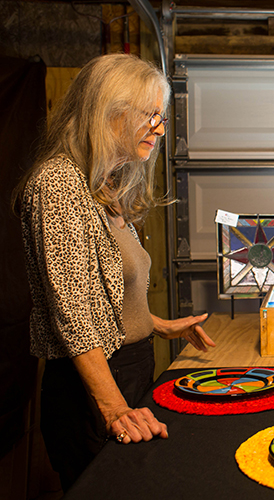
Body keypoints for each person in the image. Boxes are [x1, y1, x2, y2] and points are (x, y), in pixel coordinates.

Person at [16, 53, 216, 491]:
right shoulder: (57, 184)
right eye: (150, 116)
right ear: (109, 111)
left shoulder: (102, 186)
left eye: (161, 117)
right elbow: (71, 313)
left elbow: (102, 296)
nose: (160, 129)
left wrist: (154, 324)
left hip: (128, 368)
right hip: (92, 386)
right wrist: (113, 409)